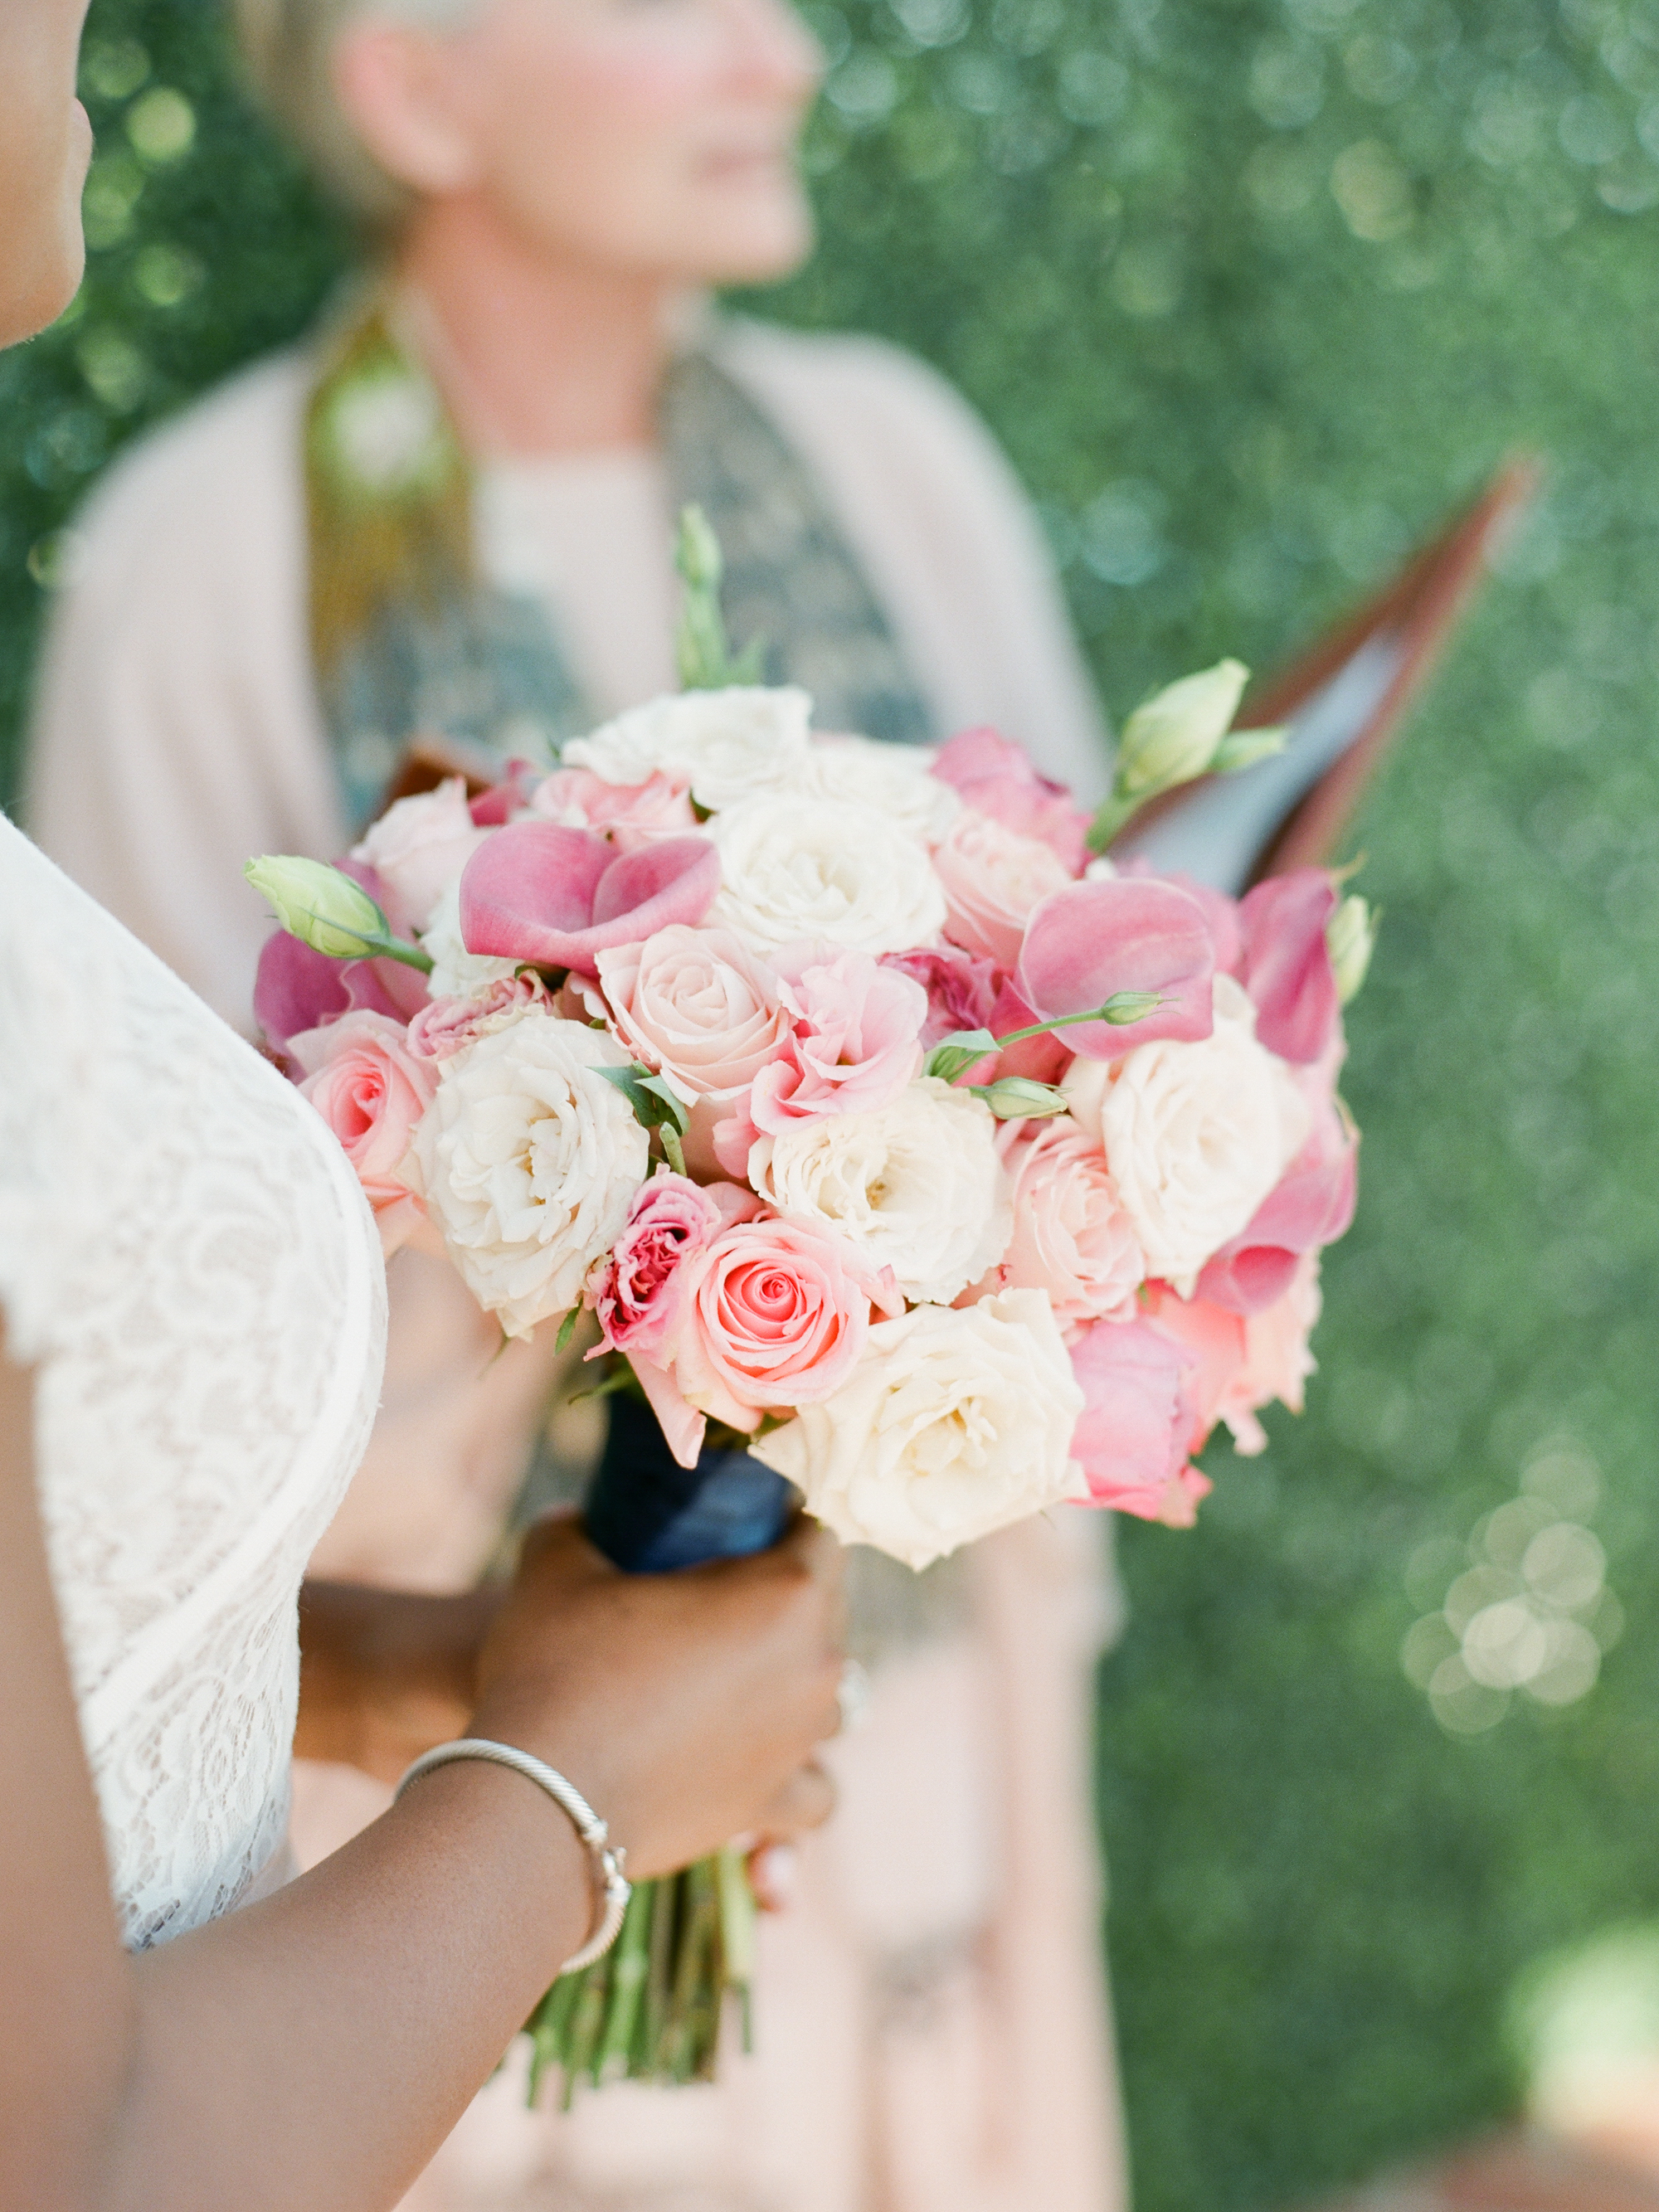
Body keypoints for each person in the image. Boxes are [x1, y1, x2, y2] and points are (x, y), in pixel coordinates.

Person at [25, 2, 1127, 2206]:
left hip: (888, 1689)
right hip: (445, 1731)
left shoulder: (892, 456)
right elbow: (131, 1267)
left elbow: (1063, 961)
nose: (783, 57)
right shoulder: (212, 553)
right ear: (413, 85)